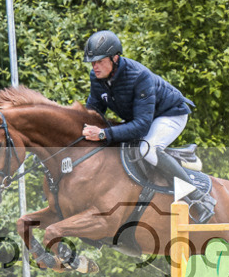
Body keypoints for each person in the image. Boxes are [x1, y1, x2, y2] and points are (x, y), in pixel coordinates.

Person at [80, 30, 215, 222]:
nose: (95, 66)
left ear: (115, 58)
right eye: (92, 62)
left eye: (100, 61)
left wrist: (103, 134)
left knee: (148, 150)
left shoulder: (138, 76)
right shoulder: (97, 77)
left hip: (170, 114)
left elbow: (141, 127)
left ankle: (199, 198)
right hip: (143, 117)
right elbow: (94, 110)